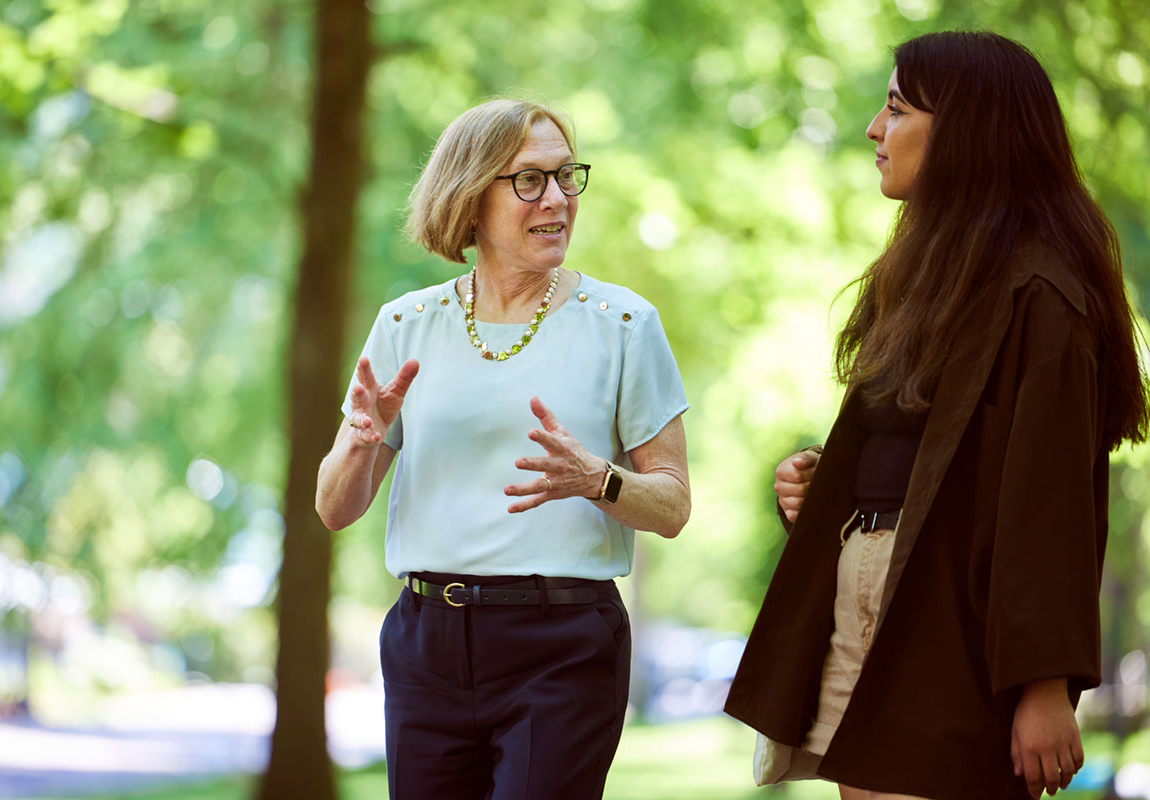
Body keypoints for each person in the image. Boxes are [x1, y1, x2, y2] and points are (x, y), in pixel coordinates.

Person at [723, 31, 1149, 800]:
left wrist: (1045, 684)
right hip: (869, 584)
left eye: (895, 109)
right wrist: (829, 491)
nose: (873, 130)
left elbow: (1048, 502)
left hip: (951, 617)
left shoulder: (1042, 297)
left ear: (967, 132)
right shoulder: (924, 275)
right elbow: (929, 457)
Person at [315, 98, 690, 799]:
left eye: (566, 177)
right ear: (470, 198)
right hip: (426, 643)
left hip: (564, 645)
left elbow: (671, 504)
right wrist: (362, 445)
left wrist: (598, 480)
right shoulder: (405, 325)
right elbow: (335, 509)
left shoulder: (625, 325)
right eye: (529, 181)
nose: (557, 200)